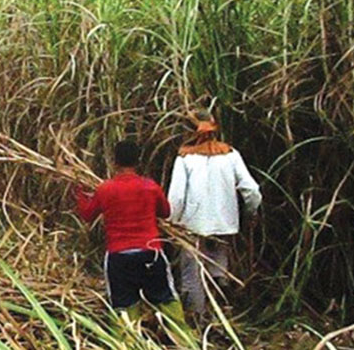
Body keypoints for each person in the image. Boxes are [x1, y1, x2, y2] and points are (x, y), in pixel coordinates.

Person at [75, 139, 189, 334]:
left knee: (124, 307)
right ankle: (187, 344)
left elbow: (87, 214)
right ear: (138, 161)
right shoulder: (150, 187)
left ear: (114, 162)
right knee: (166, 299)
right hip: (150, 253)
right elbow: (165, 212)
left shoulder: (105, 189)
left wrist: (77, 192)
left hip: (119, 257)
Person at [166, 111, 262, 317]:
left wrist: (172, 223)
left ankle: (198, 321)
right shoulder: (230, 155)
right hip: (223, 226)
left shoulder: (184, 159)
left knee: (193, 276)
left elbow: (177, 199)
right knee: (218, 267)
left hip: (192, 227)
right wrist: (251, 211)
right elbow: (251, 190)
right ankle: (222, 313)